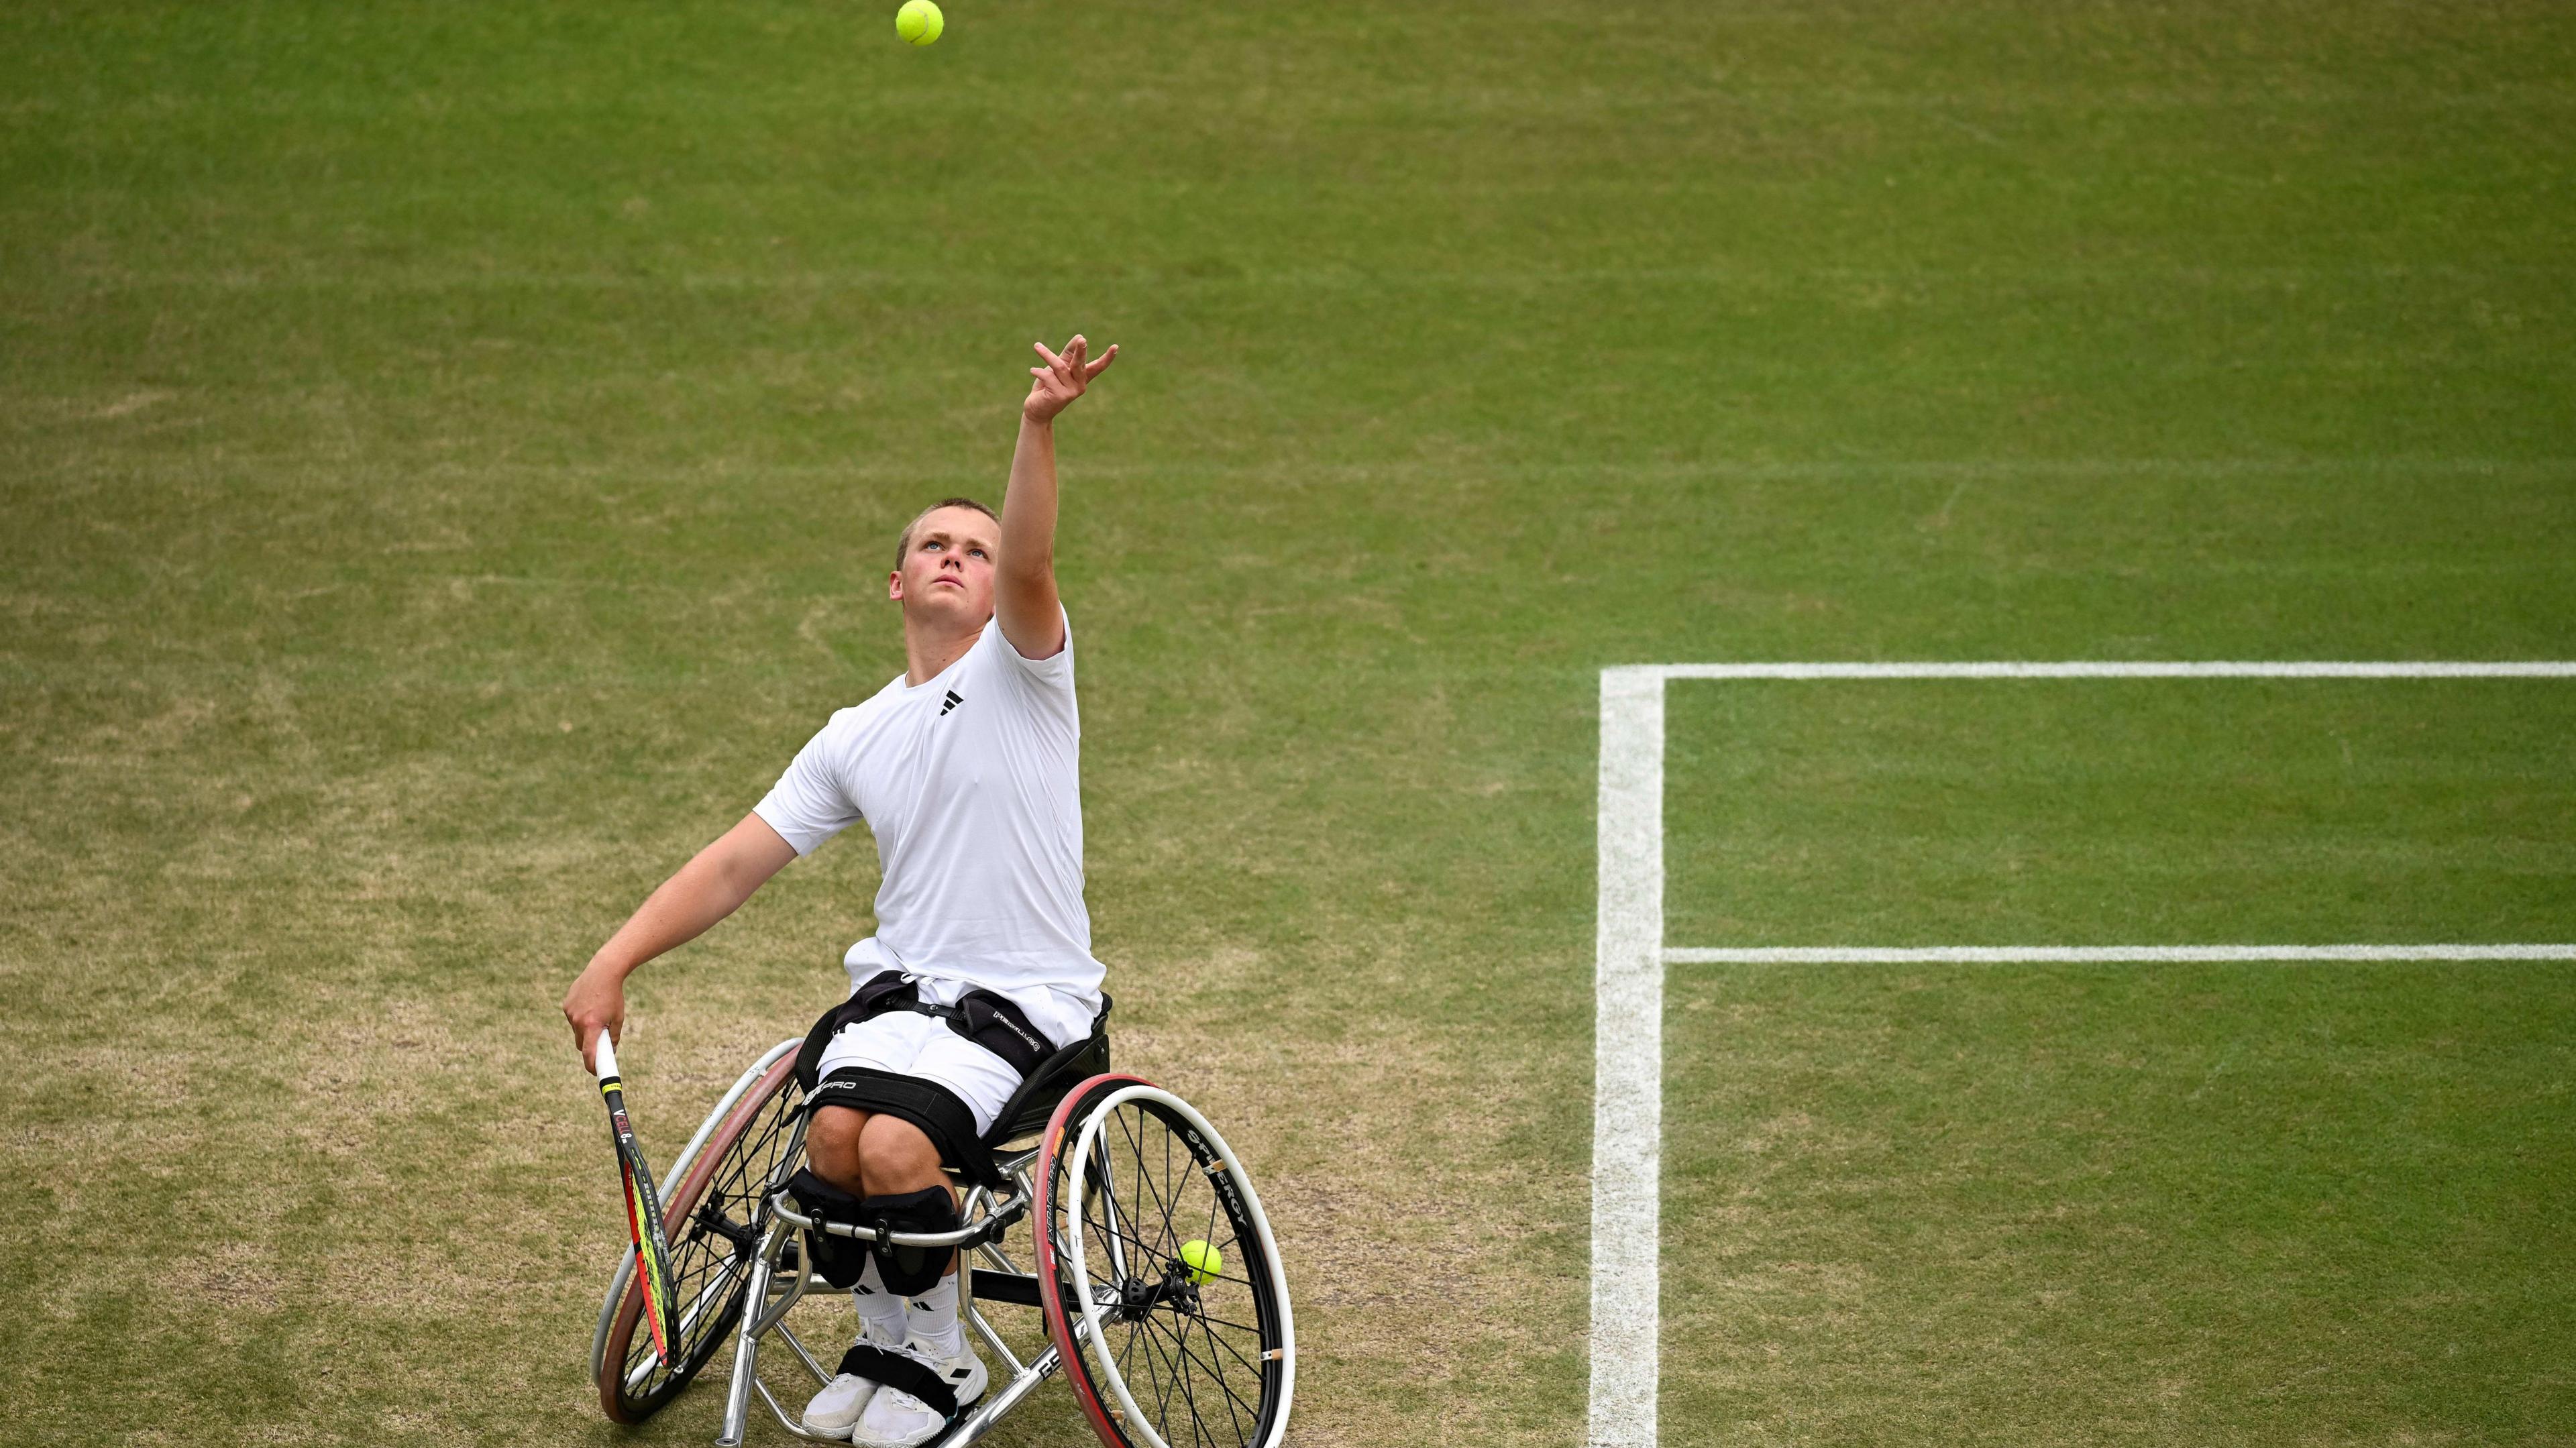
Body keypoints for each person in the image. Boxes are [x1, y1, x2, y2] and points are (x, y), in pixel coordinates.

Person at [562, 333, 1120, 1447]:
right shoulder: (854, 736)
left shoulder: (1022, 671)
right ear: (899, 580)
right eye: (935, 545)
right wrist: (613, 960)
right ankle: (891, 1342)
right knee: (831, 1145)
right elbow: (734, 861)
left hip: (1031, 1003)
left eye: (978, 545)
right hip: (904, 998)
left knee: (897, 1153)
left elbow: (1034, 568)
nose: (959, 557)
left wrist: (1038, 426)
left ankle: (946, 1368)